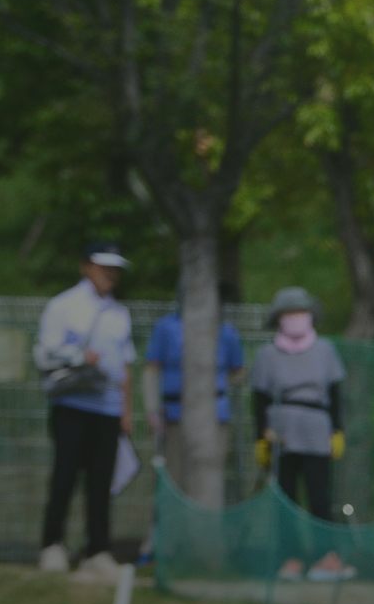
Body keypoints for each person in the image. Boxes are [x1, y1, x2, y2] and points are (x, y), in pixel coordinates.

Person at [33, 241, 138, 584]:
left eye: (114, 268)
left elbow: (125, 365)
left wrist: (126, 410)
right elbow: (46, 352)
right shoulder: (63, 306)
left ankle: (98, 550)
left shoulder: (119, 313)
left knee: (101, 482)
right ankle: (52, 545)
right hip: (72, 404)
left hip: (106, 408)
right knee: (64, 476)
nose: (110, 274)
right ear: (86, 267)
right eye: (103, 266)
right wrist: (78, 358)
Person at [249, 286, 352, 582]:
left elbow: (335, 393)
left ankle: (326, 557)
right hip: (281, 431)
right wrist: (261, 436)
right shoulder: (268, 354)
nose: (295, 319)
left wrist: (337, 430)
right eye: (289, 314)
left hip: (316, 429)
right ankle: (290, 558)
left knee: (320, 497)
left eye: (300, 313)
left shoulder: (325, 350)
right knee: (286, 499)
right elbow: (260, 398)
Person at [143, 286, 247, 495]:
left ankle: (206, 526)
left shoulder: (226, 331)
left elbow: (239, 371)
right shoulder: (166, 327)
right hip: (174, 414)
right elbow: (152, 370)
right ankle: (174, 526)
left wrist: (214, 385)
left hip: (214, 415)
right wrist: (152, 409)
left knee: (209, 477)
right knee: (174, 476)